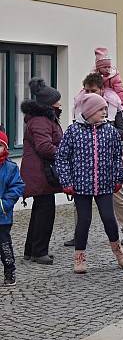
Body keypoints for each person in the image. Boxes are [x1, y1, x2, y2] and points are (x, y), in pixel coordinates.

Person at [55, 92, 123, 274]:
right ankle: (79, 257)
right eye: (100, 109)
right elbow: (62, 158)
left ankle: (118, 251)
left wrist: (119, 178)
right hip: (81, 186)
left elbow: (116, 157)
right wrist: (66, 181)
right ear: (88, 111)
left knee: (109, 218)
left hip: (104, 185)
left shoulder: (110, 131)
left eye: (105, 108)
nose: (104, 112)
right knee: (83, 221)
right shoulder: (73, 131)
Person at [66, 72, 123, 246]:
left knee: (118, 199)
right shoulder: (80, 104)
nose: (89, 94)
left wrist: (105, 130)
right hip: (84, 167)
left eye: (93, 90)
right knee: (80, 208)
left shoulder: (113, 104)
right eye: (86, 90)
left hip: (106, 166)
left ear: (101, 90)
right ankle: (78, 234)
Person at [21, 78, 63, 265]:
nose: (60, 103)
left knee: (40, 211)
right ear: (49, 104)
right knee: (45, 212)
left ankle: (31, 250)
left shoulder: (43, 118)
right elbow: (44, 147)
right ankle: (39, 251)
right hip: (41, 173)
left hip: (40, 172)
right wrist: (64, 153)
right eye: (57, 100)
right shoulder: (40, 121)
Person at [0, 130, 26, 286]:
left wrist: (5, 203)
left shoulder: (10, 168)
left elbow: (17, 186)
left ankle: (9, 269)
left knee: (4, 245)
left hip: (2, 215)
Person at [93, 47, 123, 112]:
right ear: (99, 68)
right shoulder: (93, 76)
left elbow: (120, 91)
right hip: (97, 98)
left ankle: (111, 119)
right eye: (104, 67)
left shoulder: (113, 76)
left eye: (108, 67)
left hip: (110, 99)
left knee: (113, 99)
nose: (107, 69)